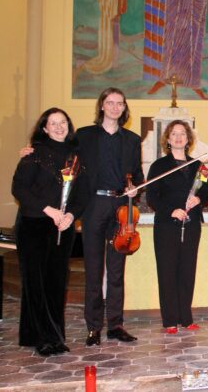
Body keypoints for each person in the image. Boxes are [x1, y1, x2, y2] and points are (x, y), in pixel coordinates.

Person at [75, 87, 143, 345]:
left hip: (120, 208)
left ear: (124, 108)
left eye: (120, 103)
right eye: (110, 102)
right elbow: (65, 160)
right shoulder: (84, 136)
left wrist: (135, 188)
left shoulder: (132, 140)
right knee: (94, 270)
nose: (115, 107)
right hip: (93, 206)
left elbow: (137, 175)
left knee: (116, 271)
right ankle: (93, 327)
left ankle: (115, 325)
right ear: (102, 106)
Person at [12, 108, 80, 356]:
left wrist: (71, 215)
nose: (59, 127)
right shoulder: (34, 154)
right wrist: (48, 210)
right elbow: (19, 188)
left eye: (63, 122)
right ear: (44, 128)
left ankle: (51, 334)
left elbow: (81, 193)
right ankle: (42, 337)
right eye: (53, 123)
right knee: (36, 283)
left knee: (56, 282)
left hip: (63, 226)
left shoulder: (76, 155)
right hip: (34, 224)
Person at [146, 121, 208, 334]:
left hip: (191, 225)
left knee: (187, 271)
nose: (178, 137)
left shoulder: (196, 166)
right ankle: (170, 320)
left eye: (182, 133)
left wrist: (198, 200)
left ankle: (186, 317)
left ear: (188, 139)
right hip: (167, 225)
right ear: (167, 139)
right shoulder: (159, 166)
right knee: (167, 271)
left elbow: (207, 194)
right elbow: (152, 197)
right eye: (173, 134)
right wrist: (171, 210)